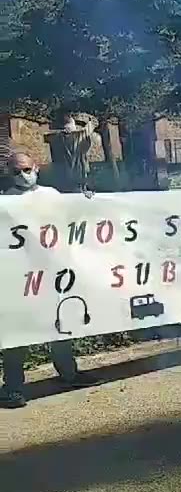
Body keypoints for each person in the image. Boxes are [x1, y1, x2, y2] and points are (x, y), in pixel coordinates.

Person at [1, 152, 101, 409]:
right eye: (15, 172)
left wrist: (86, 201)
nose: (22, 175)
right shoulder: (6, 201)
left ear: (36, 168)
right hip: (19, 277)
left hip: (52, 274)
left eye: (25, 169)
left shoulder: (51, 195)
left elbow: (75, 217)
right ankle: (12, 388)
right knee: (17, 332)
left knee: (59, 325)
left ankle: (69, 374)